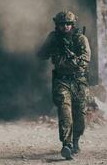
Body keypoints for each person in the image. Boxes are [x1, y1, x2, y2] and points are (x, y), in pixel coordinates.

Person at [38, 11, 91, 160]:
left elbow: (84, 62)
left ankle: (75, 141)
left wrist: (67, 60)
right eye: (62, 24)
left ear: (73, 25)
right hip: (61, 81)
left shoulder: (81, 39)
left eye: (68, 24)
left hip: (79, 82)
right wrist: (51, 50)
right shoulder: (53, 38)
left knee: (80, 116)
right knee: (65, 111)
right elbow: (41, 54)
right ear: (58, 25)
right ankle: (66, 145)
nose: (66, 27)